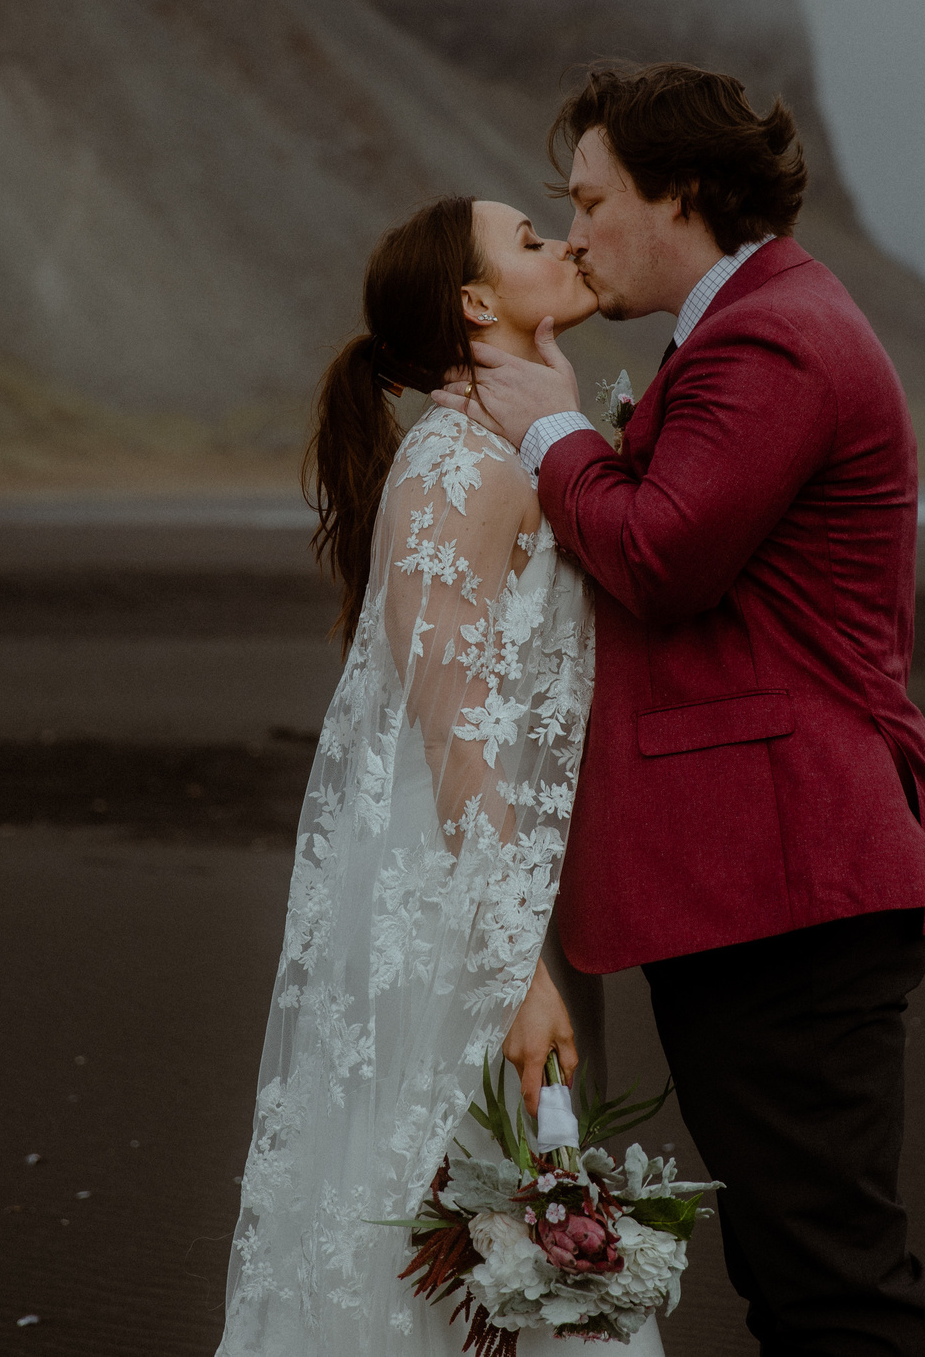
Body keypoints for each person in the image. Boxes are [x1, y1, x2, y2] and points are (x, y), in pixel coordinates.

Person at [439, 63, 925, 1356]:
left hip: (792, 873)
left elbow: (667, 554)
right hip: (761, 877)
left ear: (679, 195)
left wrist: (558, 433)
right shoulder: (748, 327)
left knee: (833, 1282)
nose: (575, 233)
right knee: (803, 1273)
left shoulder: (773, 335)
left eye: (594, 198)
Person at [216, 195, 660, 1355]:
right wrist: (512, 969)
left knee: (534, 1234)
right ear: (473, 304)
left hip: (513, 884)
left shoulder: (510, 443)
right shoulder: (455, 466)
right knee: (494, 1240)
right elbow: (452, 735)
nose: (562, 241)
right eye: (528, 239)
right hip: (476, 906)